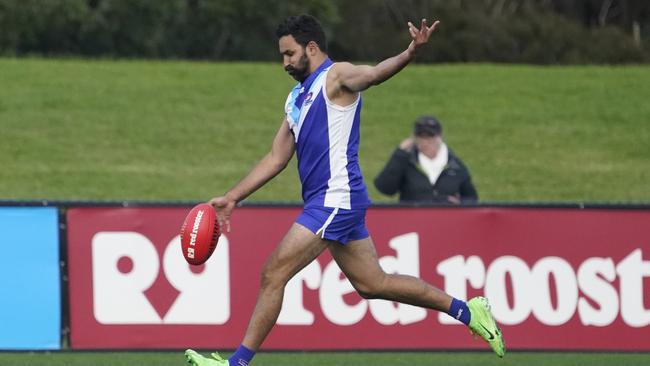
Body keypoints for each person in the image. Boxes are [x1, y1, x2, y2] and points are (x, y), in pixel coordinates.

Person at [185, 14, 505, 366]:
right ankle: (468, 311)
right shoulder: (295, 99)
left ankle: (237, 364)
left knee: (273, 273)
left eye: (289, 54)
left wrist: (410, 52)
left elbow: (373, 74)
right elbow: (276, 157)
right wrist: (233, 196)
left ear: (311, 47)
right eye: (282, 55)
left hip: (334, 199)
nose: (284, 63)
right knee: (373, 284)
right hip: (334, 202)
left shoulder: (335, 77)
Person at [374, 115, 478, 204]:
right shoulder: (406, 162)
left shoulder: (455, 166)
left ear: (440, 137)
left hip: (446, 222)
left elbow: (472, 199)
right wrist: (399, 155)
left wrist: (459, 204)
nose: (425, 142)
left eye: (430, 137)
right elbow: (385, 188)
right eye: (421, 137)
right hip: (413, 223)